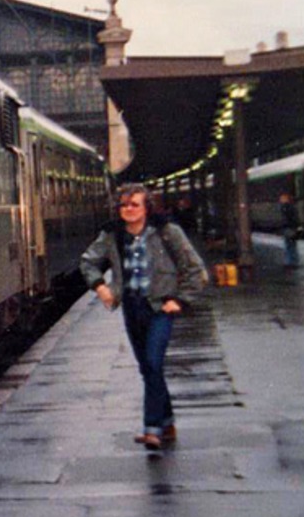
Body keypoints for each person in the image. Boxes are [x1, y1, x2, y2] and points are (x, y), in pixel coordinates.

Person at [80, 183, 210, 452]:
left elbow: (195, 270)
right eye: (123, 205)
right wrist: (100, 287)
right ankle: (167, 420)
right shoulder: (112, 235)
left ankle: (152, 428)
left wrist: (180, 300)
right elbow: (88, 261)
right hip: (132, 307)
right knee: (147, 368)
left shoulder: (166, 232)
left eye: (134, 204)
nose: (128, 210)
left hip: (160, 308)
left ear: (147, 207)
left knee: (152, 363)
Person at [279, 191, 300, 267]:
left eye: (282, 198)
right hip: (291, 228)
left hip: (288, 228)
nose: (280, 200)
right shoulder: (291, 207)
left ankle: (290, 261)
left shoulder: (286, 208)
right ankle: (293, 261)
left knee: (289, 245)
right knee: (292, 245)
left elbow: (286, 219)